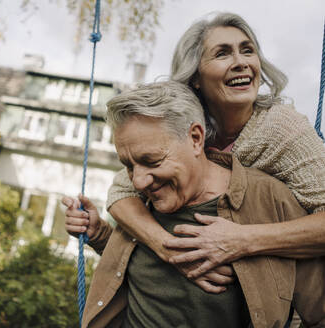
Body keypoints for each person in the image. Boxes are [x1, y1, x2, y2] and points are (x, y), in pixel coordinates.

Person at [63, 81, 325, 328]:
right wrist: (98, 235)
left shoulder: (271, 201)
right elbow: (143, 270)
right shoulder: (139, 204)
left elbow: (319, 311)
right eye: (128, 166)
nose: (139, 181)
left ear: (196, 138)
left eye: (152, 161)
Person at [103, 12, 325, 286]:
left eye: (248, 51)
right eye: (223, 54)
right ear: (195, 76)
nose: (241, 62)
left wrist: (243, 240)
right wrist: (167, 247)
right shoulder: (180, 125)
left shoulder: (282, 128)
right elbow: (121, 193)